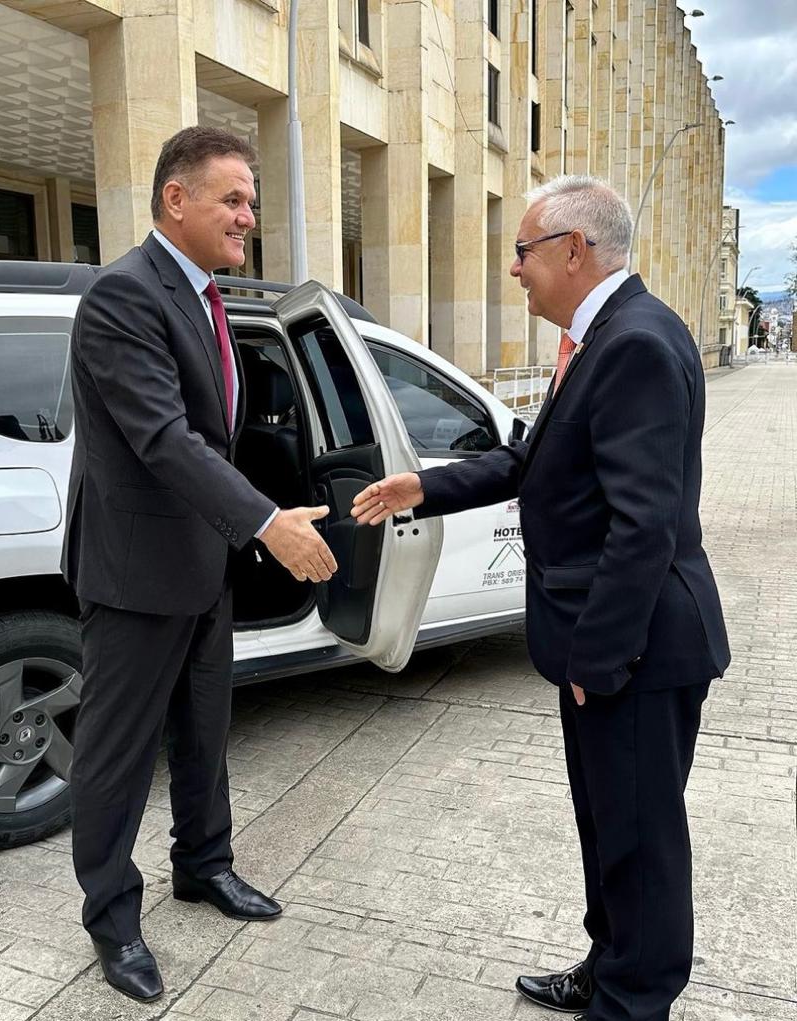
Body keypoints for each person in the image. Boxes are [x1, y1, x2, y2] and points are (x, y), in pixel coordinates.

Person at [352, 176, 729, 1021]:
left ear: (572, 249)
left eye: (522, 250)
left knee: (641, 841)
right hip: (609, 643)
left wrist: (598, 656)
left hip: (632, 647)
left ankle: (634, 1000)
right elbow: (531, 463)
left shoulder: (631, 344)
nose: (514, 269)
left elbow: (645, 526)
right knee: (608, 825)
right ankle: (609, 965)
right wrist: (425, 486)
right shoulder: (600, 339)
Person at [62, 126, 338, 1003]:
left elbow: (214, 430)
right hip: (135, 573)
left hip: (200, 567)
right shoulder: (123, 296)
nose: (248, 216)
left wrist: (244, 523)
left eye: (251, 201)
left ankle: (203, 866)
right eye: (233, 199)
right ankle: (113, 920)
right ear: (175, 200)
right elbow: (162, 438)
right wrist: (266, 521)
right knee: (114, 757)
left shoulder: (208, 299)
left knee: (204, 736)